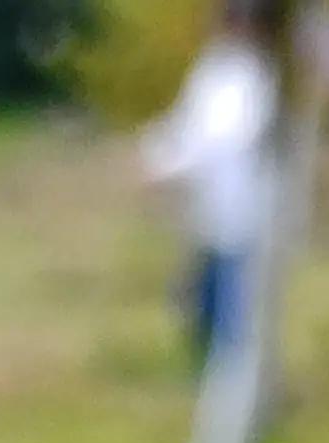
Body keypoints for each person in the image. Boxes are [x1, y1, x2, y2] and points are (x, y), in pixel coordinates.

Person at [137, 0, 280, 373]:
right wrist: (156, 155)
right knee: (200, 296)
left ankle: (232, 384)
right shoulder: (214, 69)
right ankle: (206, 373)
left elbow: (222, 140)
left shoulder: (254, 77)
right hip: (205, 206)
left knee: (231, 304)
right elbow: (187, 125)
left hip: (237, 206)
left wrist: (169, 164)